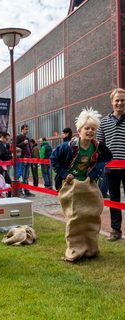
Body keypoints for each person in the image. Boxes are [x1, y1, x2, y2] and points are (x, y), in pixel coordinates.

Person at [51, 108, 112, 262]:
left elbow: (107, 158)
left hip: (87, 185)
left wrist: (95, 173)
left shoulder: (97, 147)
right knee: (75, 217)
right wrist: (65, 174)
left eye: (93, 129)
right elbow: (54, 159)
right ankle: (74, 249)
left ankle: (91, 248)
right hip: (71, 185)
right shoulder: (67, 146)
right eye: (87, 128)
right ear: (79, 130)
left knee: (91, 215)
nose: (90, 131)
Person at [96, 88, 125, 241]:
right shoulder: (104, 122)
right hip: (111, 169)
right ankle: (115, 230)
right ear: (112, 102)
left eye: (122, 100)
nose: (120, 103)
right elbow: (100, 145)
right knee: (114, 200)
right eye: (117, 100)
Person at [16, 124, 35, 197]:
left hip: (28, 159)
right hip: (22, 159)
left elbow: (30, 149)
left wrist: (32, 159)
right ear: (22, 129)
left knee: (26, 176)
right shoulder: (18, 137)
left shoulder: (27, 138)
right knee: (21, 176)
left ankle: (26, 191)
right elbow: (15, 146)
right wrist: (23, 143)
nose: (27, 130)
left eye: (27, 129)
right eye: (26, 129)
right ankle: (20, 191)